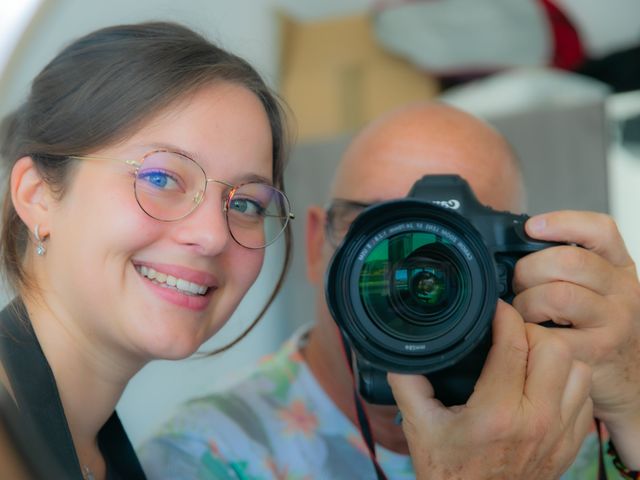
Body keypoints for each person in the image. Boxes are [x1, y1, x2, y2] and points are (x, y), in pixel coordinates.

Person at [140, 102, 640, 479]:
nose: (418, 264)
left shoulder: (569, 406)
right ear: (317, 244)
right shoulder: (203, 455)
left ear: (519, 260)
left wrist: (634, 412)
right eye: (381, 228)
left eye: (454, 240)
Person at [0, 21, 294, 480]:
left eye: (246, 204)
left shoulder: (98, 455)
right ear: (37, 195)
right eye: (161, 179)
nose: (213, 235)